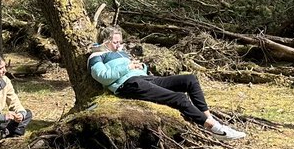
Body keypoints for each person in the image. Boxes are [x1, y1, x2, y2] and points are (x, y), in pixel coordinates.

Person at [87, 27, 245, 139]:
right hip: (129, 85)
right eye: (116, 42)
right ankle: (214, 129)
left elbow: (136, 68)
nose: (119, 45)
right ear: (105, 41)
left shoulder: (120, 53)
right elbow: (103, 76)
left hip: (145, 79)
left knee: (189, 79)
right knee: (179, 98)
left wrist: (142, 66)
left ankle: (210, 118)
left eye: (120, 42)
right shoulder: (97, 55)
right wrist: (128, 66)